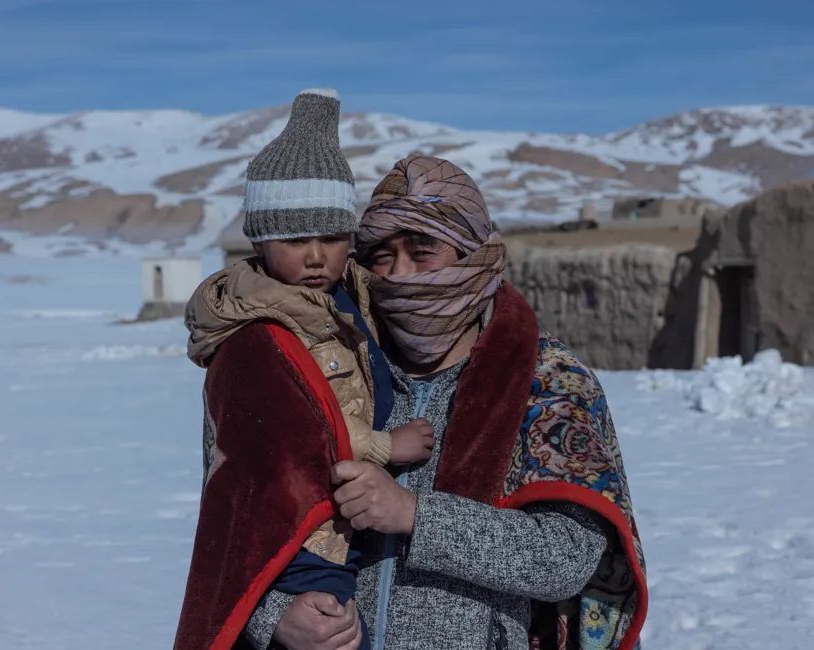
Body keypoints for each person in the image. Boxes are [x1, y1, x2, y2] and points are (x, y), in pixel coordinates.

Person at [244, 155, 649, 650]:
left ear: (472, 254)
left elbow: (570, 558)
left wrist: (415, 514)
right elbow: (235, 527)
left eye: (422, 251)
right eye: (381, 256)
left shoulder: (546, 381)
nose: (401, 274)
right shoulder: (325, 367)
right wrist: (275, 618)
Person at [172, 90, 433, 650]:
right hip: (305, 540)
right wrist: (390, 448)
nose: (316, 257)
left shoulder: (349, 299)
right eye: (294, 239)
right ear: (260, 241)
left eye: (334, 238)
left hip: (344, 532)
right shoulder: (264, 333)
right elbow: (301, 437)